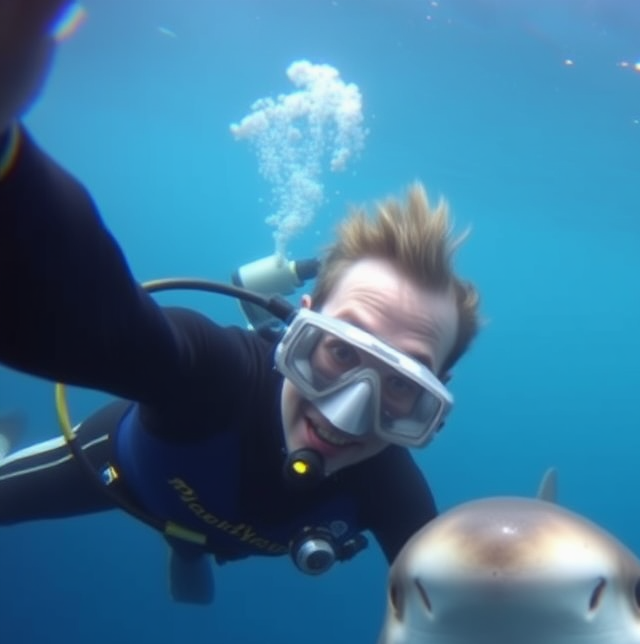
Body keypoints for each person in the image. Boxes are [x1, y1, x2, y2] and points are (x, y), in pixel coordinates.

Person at [0, 0, 481, 604]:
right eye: (339, 349)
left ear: (436, 397)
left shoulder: (392, 492)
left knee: (190, 546)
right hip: (117, 474)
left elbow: (458, 616)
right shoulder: (211, 374)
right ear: (298, 323)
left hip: (201, 517)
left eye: (404, 385)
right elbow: (83, 321)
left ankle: (187, 550)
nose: (348, 416)